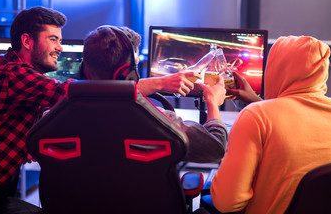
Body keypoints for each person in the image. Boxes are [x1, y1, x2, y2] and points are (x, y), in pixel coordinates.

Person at [210, 36, 331, 213]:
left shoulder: (255, 116)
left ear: (275, 69)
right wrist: (257, 101)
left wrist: (258, 106)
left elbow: (226, 203)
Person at [80, 25, 228, 163]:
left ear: (84, 69)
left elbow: (107, 89)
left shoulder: (64, 108)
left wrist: (161, 82)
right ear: (128, 74)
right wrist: (213, 103)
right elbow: (216, 148)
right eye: (135, 66)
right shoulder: (156, 120)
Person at [0, 6, 72, 213]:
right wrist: (158, 85)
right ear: (27, 41)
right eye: (53, 39)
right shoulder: (13, 73)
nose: (60, 47)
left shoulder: (5, 65)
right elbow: (66, 93)